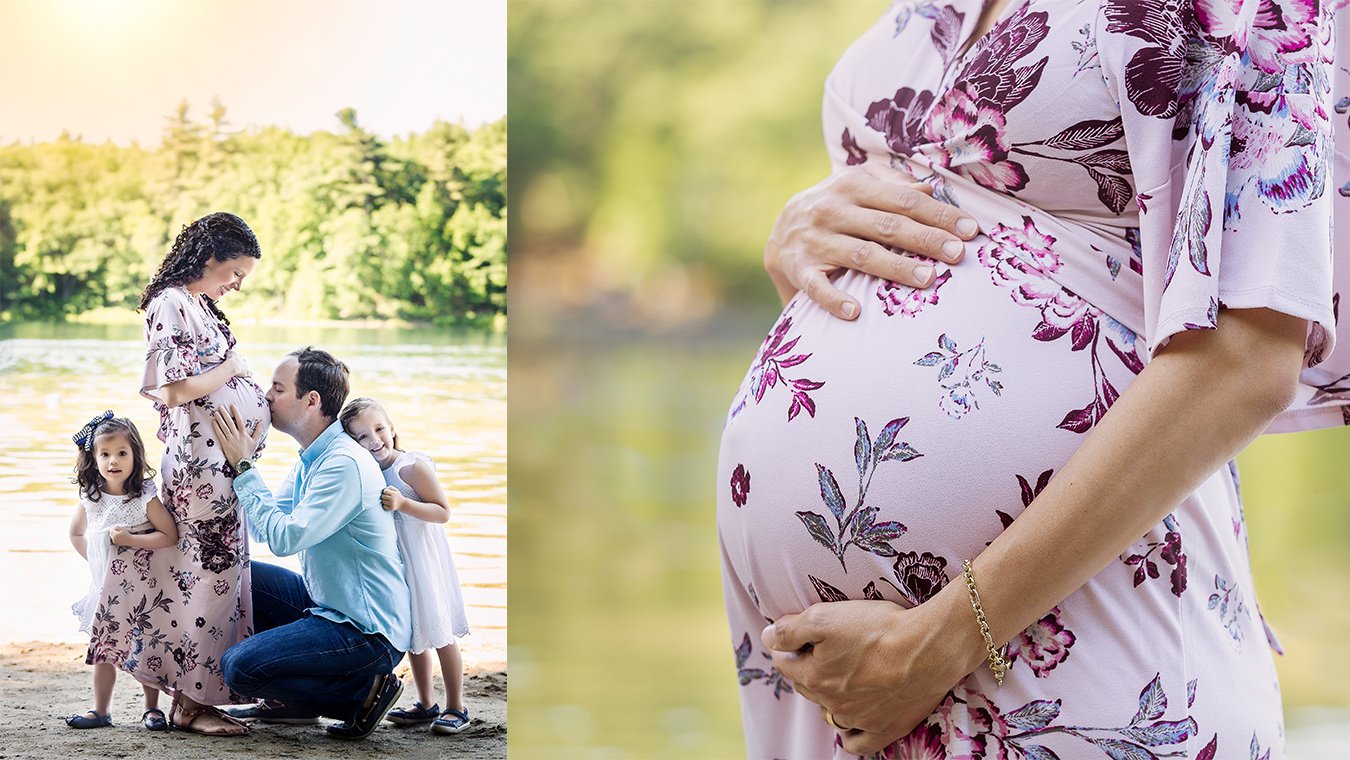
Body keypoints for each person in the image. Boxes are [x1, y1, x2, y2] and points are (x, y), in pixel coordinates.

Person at [717, 1, 1350, 757]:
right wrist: (802, 229)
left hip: (1072, 654)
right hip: (838, 692)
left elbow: (1249, 357)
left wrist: (942, 642)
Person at [109, 211, 268, 737]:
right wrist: (233, 370)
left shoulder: (199, 304)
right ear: (209, 258)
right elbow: (170, 389)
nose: (237, 285)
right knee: (205, 586)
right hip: (201, 476)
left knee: (220, 585)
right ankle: (189, 704)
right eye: (235, 272)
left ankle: (197, 698)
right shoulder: (171, 303)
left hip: (220, 475)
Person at [213, 347, 413, 741]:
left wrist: (244, 467)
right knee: (236, 578)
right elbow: (264, 526)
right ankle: (297, 702)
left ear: (311, 401)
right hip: (327, 606)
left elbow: (286, 539)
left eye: (277, 388)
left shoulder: (344, 464)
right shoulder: (311, 456)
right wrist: (244, 461)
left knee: (239, 668)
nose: (266, 396)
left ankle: (362, 694)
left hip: (367, 632)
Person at [340, 397, 472, 735]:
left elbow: (443, 511)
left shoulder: (409, 468)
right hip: (399, 564)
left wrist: (403, 503)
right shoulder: (368, 470)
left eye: (379, 429)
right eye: (361, 438)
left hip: (425, 563)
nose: (374, 441)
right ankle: (426, 703)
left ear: (392, 427)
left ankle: (457, 706)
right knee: (415, 632)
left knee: (440, 631)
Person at [65, 413, 177, 731]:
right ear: (94, 458)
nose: (113, 461)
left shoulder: (143, 496)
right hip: (105, 591)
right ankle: (101, 710)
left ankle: (152, 709)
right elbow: (75, 534)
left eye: (121, 453)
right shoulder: (91, 496)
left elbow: (169, 535)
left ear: (135, 455)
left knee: (146, 648)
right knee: (103, 650)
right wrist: (97, 561)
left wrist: (130, 540)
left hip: (143, 591)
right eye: (105, 454)